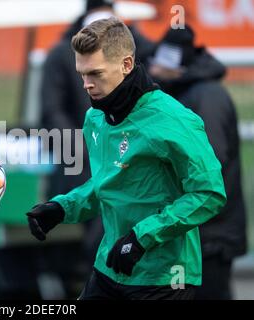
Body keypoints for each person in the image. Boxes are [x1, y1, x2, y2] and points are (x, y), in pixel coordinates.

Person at [27, 18, 227, 300]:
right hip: (109, 267)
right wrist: (61, 208)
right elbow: (109, 183)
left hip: (165, 278)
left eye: (95, 73)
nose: (86, 84)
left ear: (126, 65)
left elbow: (209, 193)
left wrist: (141, 237)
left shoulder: (173, 121)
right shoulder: (96, 117)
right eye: (81, 74)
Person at [40, 0, 156, 271]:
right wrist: (86, 146)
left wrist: (127, 33)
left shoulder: (130, 51)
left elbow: (151, 58)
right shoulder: (60, 56)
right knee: (103, 203)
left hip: (126, 150)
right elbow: (52, 112)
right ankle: (100, 267)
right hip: (80, 157)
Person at [148, 25, 247, 300]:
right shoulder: (190, 93)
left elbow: (207, 166)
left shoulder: (206, 97)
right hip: (200, 230)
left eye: (157, 63)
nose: (152, 71)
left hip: (210, 235)